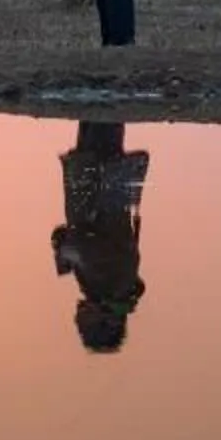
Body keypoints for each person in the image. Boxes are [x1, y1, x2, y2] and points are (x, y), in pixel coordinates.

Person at [51, 120, 150, 352]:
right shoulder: (113, 286)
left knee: (95, 116)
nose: (77, 320)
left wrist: (66, 252)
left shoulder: (110, 290)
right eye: (84, 327)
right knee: (101, 116)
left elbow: (78, 245)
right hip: (99, 178)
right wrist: (65, 253)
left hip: (97, 179)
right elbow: (84, 248)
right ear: (106, 321)